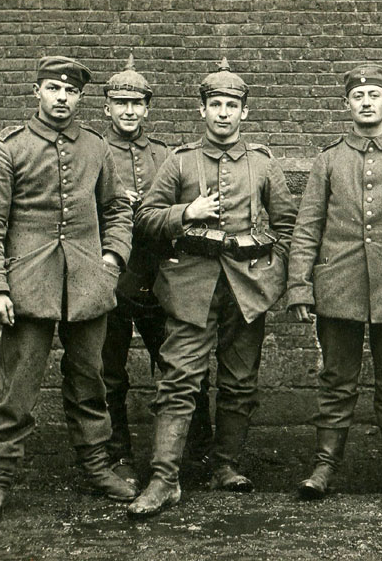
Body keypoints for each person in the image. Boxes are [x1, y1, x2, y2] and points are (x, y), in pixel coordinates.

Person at [0, 56, 137, 525]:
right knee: (18, 386)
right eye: (53, 89)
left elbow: (117, 209)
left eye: (71, 92)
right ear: (36, 91)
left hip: (87, 285)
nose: (62, 98)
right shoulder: (10, 147)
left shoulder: (96, 148)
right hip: (28, 286)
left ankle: (97, 466)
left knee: (90, 382)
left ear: (80, 98)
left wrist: (112, 258)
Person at [127, 58, 298, 518]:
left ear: (244, 112)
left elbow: (287, 226)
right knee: (179, 379)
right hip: (190, 287)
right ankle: (164, 479)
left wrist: (273, 275)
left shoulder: (263, 163)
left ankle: (226, 465)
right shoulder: (179, 161)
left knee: (240, 381)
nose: (223, 113)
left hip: (247, 288)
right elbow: (145, 219)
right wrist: (186, 212)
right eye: (215, 104)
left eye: (231, 105)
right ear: (202, 109)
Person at [287, 63, 382, 500]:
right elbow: (307, 227)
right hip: (339, 285)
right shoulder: (329, 159)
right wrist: (300, 285)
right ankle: (324, 467)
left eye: (375, 95)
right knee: (336, 381)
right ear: (347, 104)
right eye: (358, 96)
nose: (367, 102)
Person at [99, 55, 213, 488]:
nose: (129, 111)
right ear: (107, 107)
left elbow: (181, 206)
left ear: (147, 108)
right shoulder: (93, 151)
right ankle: (117, 456)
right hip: (111, 274)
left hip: (162, 273)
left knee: (180, 363)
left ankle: (196, 454)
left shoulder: (166, 154)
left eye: (137, 103)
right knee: (109, 371)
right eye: (120, 103)